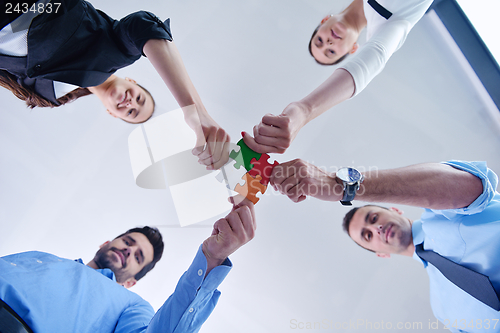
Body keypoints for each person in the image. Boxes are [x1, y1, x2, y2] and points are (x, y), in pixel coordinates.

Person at [270, 158, 500, 332]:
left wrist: (345, 187)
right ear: (380, 254)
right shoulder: (444, 310)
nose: (376, 229)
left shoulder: (444, 211)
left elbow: (474, 186)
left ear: (396, 210)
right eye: (367, 236)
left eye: (373, 218)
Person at [0, 0, 229, 169]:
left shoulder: (51, 97)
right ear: (132, 81)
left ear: (111, 113)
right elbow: (146, 27)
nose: (131, 102)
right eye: (139, 98)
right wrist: (195, 112)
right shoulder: (116, 50)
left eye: (131, 112)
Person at [0, 198, 256, 332]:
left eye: (137, 257)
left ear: (131, 282)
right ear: (105, 243)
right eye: (128, 241)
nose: (129, 249)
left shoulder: (132, 305)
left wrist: (210, 260)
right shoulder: (40, 256)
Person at [243, 0, 433, 154]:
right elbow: (373, 58)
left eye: (319, 41)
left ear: (325, 20)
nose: (328, 42)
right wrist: (304, 110)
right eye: (331, 51)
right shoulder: (390, 24)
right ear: (353, 49)